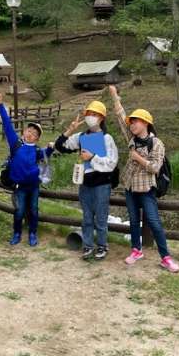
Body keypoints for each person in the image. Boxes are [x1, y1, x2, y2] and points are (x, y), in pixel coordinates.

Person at [109, 85, 179, 273]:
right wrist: (115, 96)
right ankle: (136, 250)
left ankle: (165, 257)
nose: (132, 125)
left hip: (147, 189)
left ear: (146, 123)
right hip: (130, 187)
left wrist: (138, 158)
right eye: (131, 122)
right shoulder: (131, 139)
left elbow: (156, 167)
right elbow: (120, 116)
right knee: (133, 221)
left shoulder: (156, 143)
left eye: (136, 122)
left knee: (154, 222)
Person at [54, 101, 118, 260]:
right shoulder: (81, 137)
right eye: (89, 114)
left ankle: (102, 246)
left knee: (101, 218)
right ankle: (88, 245)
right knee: (87, 217)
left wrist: (92, 157)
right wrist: (70, 130)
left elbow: (111, 163)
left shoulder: (107, 138)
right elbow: (60, 146)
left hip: (102, 184)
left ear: (102, 118)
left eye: (95, 114)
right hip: (85, 183)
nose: (91, 117)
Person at [0, 93, 54, 246]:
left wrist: (50, 148)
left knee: (33, 210)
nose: (30, 134)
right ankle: (17, 233)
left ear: (37, 139)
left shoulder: (37, 150)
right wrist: (0, 105)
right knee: (19, 211)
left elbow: (46, 154)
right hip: (19, 187)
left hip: (33, 187)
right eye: (29, 131)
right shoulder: (16, 144)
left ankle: (33, 233)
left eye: (34, 134)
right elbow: (7, 124)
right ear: (24, 132)